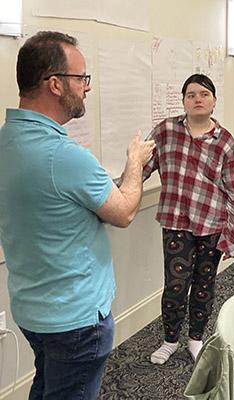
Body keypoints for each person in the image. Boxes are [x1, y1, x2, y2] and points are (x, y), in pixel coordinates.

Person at [0, 31, 155, 400]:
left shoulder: (8, 141)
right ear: (55, 84)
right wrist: (135, 164)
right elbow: (125, 212)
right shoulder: (64, 156)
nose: (86, 87)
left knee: (47, 386)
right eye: (81, 78)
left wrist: (118, 183)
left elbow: (63, 204)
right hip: (76, 322)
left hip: (33, 312)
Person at [143, 74, 234, 365]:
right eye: (191, 95)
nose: (197, 99)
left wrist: (231, 235)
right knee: (175, 284)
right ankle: (170, 339)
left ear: (214, 100)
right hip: (176, 222)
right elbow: (143, 167)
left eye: (203, 94)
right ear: (183, 101)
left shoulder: (225, 142)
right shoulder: (165, 131)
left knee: (204, 283)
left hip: (211, 225)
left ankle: (195, 338)